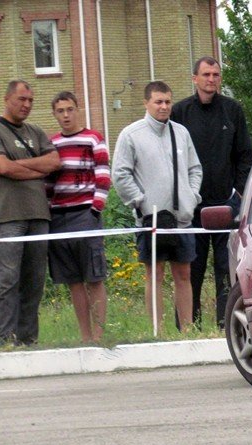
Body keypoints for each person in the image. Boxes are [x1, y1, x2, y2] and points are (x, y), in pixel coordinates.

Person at [112, 81, 203, 332]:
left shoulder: (181, 133)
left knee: (184, 274)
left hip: (182, 218)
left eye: (167, 101)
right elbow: (120, 174)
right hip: (150, 219)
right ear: (146, 103)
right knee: (155, 275)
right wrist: (139, 202)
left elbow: (195, 169)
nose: (164, 107)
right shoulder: (131, 135)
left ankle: (186, 330)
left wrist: (192, 195)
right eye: (158, 102)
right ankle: (157, 331)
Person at [171, 57, 252, 329]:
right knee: (190, 270)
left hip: (225, 207)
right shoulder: (180, 113)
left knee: (226, 271)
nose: (211, 79)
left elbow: (245, 156)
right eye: (206, 74)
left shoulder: (233, 111)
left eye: (216, 74)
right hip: (190, 209)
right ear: (194, 78)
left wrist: (239, 194)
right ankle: (188, 327)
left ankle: (226, 326)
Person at [0, 80, 61, 346]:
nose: (26, 105)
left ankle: (28, 341)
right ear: (7, 99)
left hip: (38, 215)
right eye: (21, 99)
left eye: (30, 101)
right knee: (6, 282)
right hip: (5, 217)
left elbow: (54, 162)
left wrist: (20, 166)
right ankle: (1, 343)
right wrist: (36, 170)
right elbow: (2, 168)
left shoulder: (35, 132)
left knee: (34, 283)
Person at [47, 91, 110, 342]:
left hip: (86, 214)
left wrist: (95, 209)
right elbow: (48, 184)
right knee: (73, 281)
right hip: (59, 217)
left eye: (69, 109)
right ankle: (85, 338)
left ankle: (99, 336)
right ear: (55, 114)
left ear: (77, 109)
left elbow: (103, 177)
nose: (65, 115)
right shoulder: (51, 144)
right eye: (60, 111)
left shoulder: (94, 138)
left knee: (94, 277)